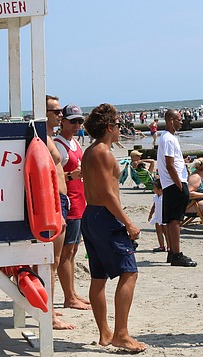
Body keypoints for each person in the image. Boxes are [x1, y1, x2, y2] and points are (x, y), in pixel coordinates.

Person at [81, 103, 146, 353]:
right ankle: (121, 334)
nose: (121, 129)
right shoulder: (103, 152)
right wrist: (128, 222)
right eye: (118, 125)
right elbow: (108, 195)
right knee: (129, 273)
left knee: (99, 277)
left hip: (91, 216)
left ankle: (105, 333)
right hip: (105, 216)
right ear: (109, 127)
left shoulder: (91, 151)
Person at [53, 104, 91, 311]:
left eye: (80, 121)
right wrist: (71, 176)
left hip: (80, 201)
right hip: (69, 203)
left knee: (74, 249)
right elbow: (55, 178)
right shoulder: (58, 145)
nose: (77, 125)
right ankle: (69, 297)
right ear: (63, 121)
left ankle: (72, 292)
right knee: (66, 252)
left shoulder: (74, 142)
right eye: (73, 121)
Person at [44, 95, 77, 330]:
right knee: (51, 261)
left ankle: (50, 310)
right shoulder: (43, 137)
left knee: (54, 260)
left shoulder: (48, 138)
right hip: (54, 200)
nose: (60, 115)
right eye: (56, 111)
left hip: (60, 200)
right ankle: (51, 314)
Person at [156, 109, 196, 267]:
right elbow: (170, 164)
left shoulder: (168, 138)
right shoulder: (167, 139)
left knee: (173, 219)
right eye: (179, 119)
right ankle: (177, 254)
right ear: (171, 120)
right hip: (174, 183)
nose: (181, 122)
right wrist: (180, 184)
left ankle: (172, 252)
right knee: (176, 220)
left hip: (171, 183)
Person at [147, 179, 167, 253]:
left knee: (166, 233)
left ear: (160, 189)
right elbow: (154, 205)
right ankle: (161, 246)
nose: (153, 189)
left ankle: (169, 246)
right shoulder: (155, 196)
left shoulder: (165, 197)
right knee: (159, 232)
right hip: (157, 217)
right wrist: (150, 214)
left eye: (154, 188)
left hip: (164, 217)